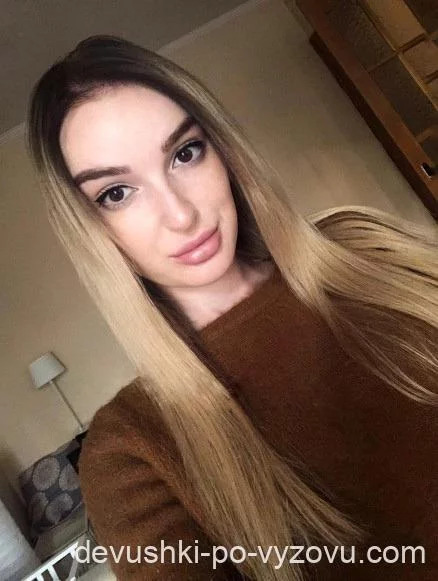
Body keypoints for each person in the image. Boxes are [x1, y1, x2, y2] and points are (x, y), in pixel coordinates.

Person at [27, 35, 438, 581]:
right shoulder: (129, 451)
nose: (181, 215)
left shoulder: (364, 244)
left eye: (185, 153)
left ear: (222, 150)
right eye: (116, 193)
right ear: (91, 230)